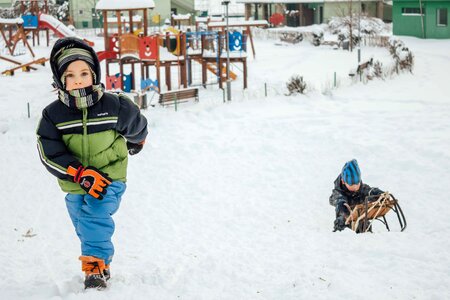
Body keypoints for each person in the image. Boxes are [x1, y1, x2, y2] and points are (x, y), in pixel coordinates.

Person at [36, 37, 148, 289]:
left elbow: (137, 125)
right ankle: (100, 261)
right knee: (83, 223)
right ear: (60, 80)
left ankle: (94, 267)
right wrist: (78, 173)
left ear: (94, 74)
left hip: (110, 178)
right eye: (70, 74)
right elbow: (48, 152)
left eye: (84, 72)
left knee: (94, 216)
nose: (78, 79)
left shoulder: (113, 105)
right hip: (75, 183)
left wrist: (137, 141)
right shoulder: (53, 115)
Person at [329, 159, 384, 232]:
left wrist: (376, 193)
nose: (355, 187)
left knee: (364, 224)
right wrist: (341, 203)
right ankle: (340, 238)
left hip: (360, 218)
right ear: (343, 181)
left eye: (357, 183)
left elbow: (369, 191)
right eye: (351, 184)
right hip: (346, 218)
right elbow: (335, 198)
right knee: (341, 222)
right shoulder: (339, 191)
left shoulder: (362, 189)